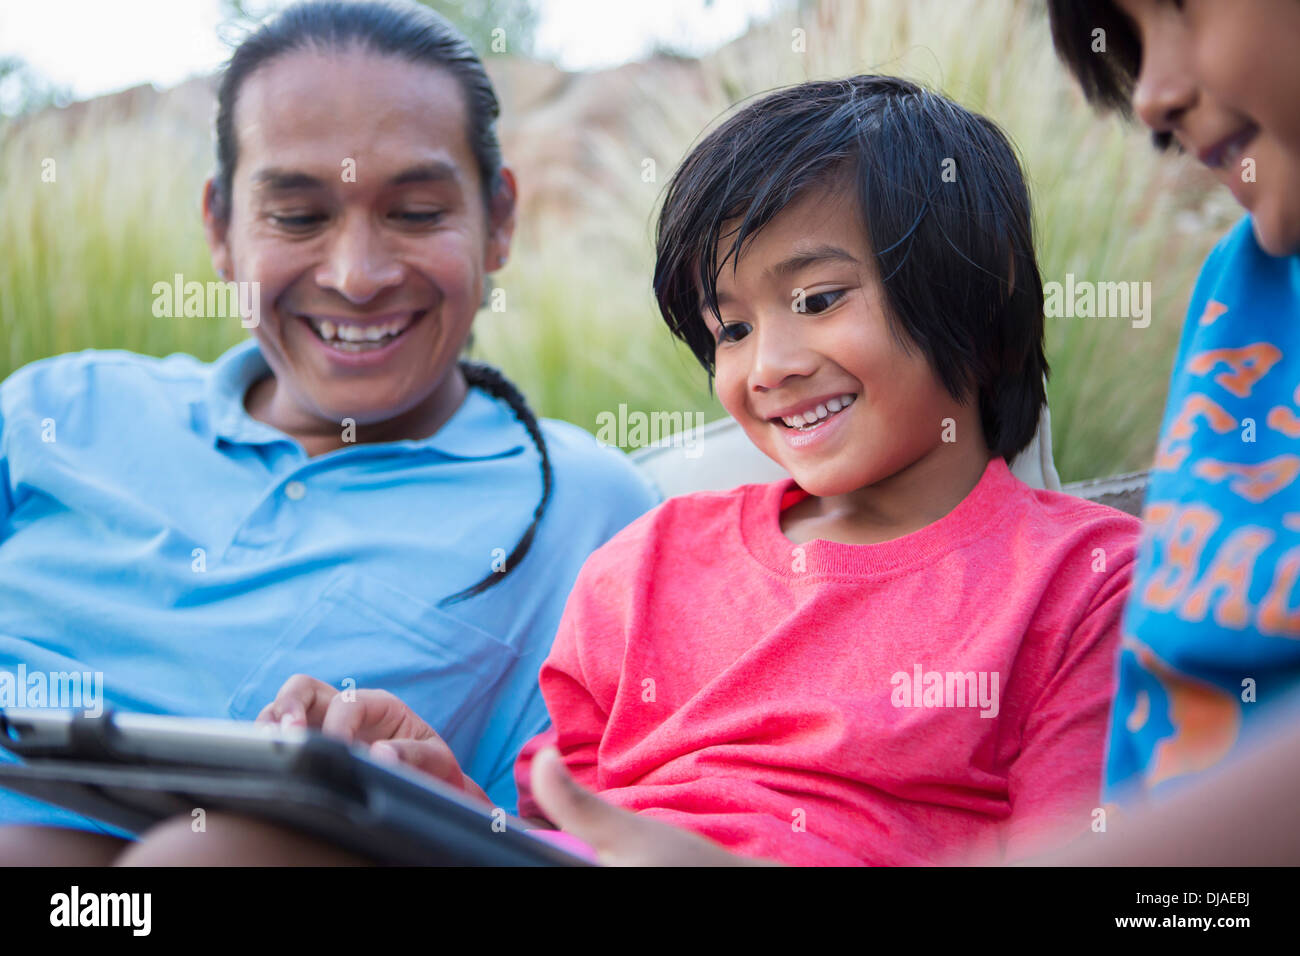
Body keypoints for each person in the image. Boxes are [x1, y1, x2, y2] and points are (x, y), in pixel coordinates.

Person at [114, 75, 1141, 866]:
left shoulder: (1087, 582)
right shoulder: (648, 559)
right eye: (728, 327)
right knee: (205, 851)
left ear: (979, 292)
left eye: (819, 298)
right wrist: (441, 795)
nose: (768, 364)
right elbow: (558, 829)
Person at [0, 0, 657, 864]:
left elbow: (591, 834)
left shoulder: (585, 513)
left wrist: (454, 802)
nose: (357, 276)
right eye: (298, 217)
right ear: (220, 229)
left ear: (499, 220)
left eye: (417, 213)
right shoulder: (58, 405)